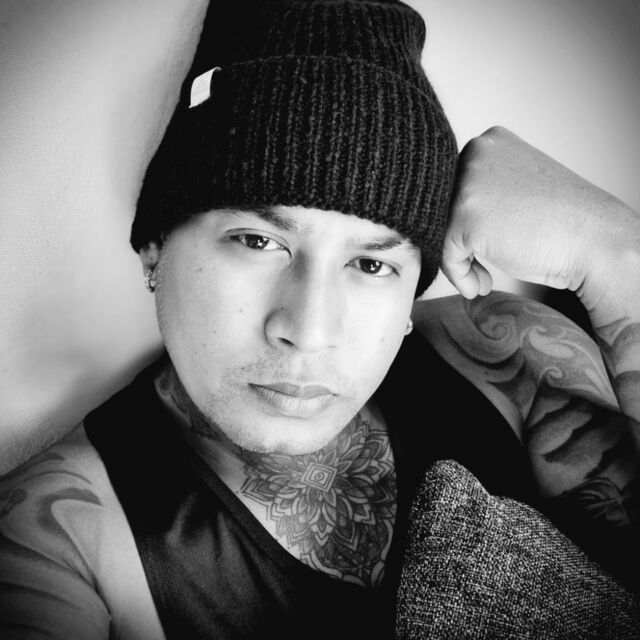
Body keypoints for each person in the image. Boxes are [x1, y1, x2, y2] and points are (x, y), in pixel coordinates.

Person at [1, 0, 639, 638]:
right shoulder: (62, 539)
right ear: (154, 249)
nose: (308, 330)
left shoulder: (514, 358)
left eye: (371, 264)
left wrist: (615, 253)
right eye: (258, 241)